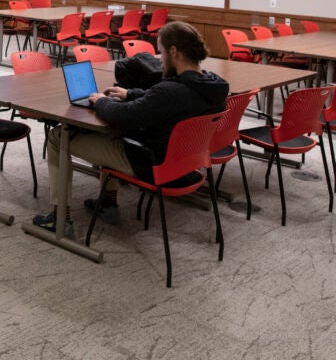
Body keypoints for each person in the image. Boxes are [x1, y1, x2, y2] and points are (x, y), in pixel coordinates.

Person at [33, 21, 228, 236]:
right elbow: (162, 99)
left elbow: (124, 116)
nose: (160, 60)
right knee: (106, 131)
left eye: (161, 52)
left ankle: (60, 219)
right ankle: (107, 204)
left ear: (174, 52)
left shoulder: (171, 92)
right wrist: (129, 94)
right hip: (185, 162)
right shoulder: (215, 86)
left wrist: (100, 101)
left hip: (149, 162)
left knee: (58, 136)